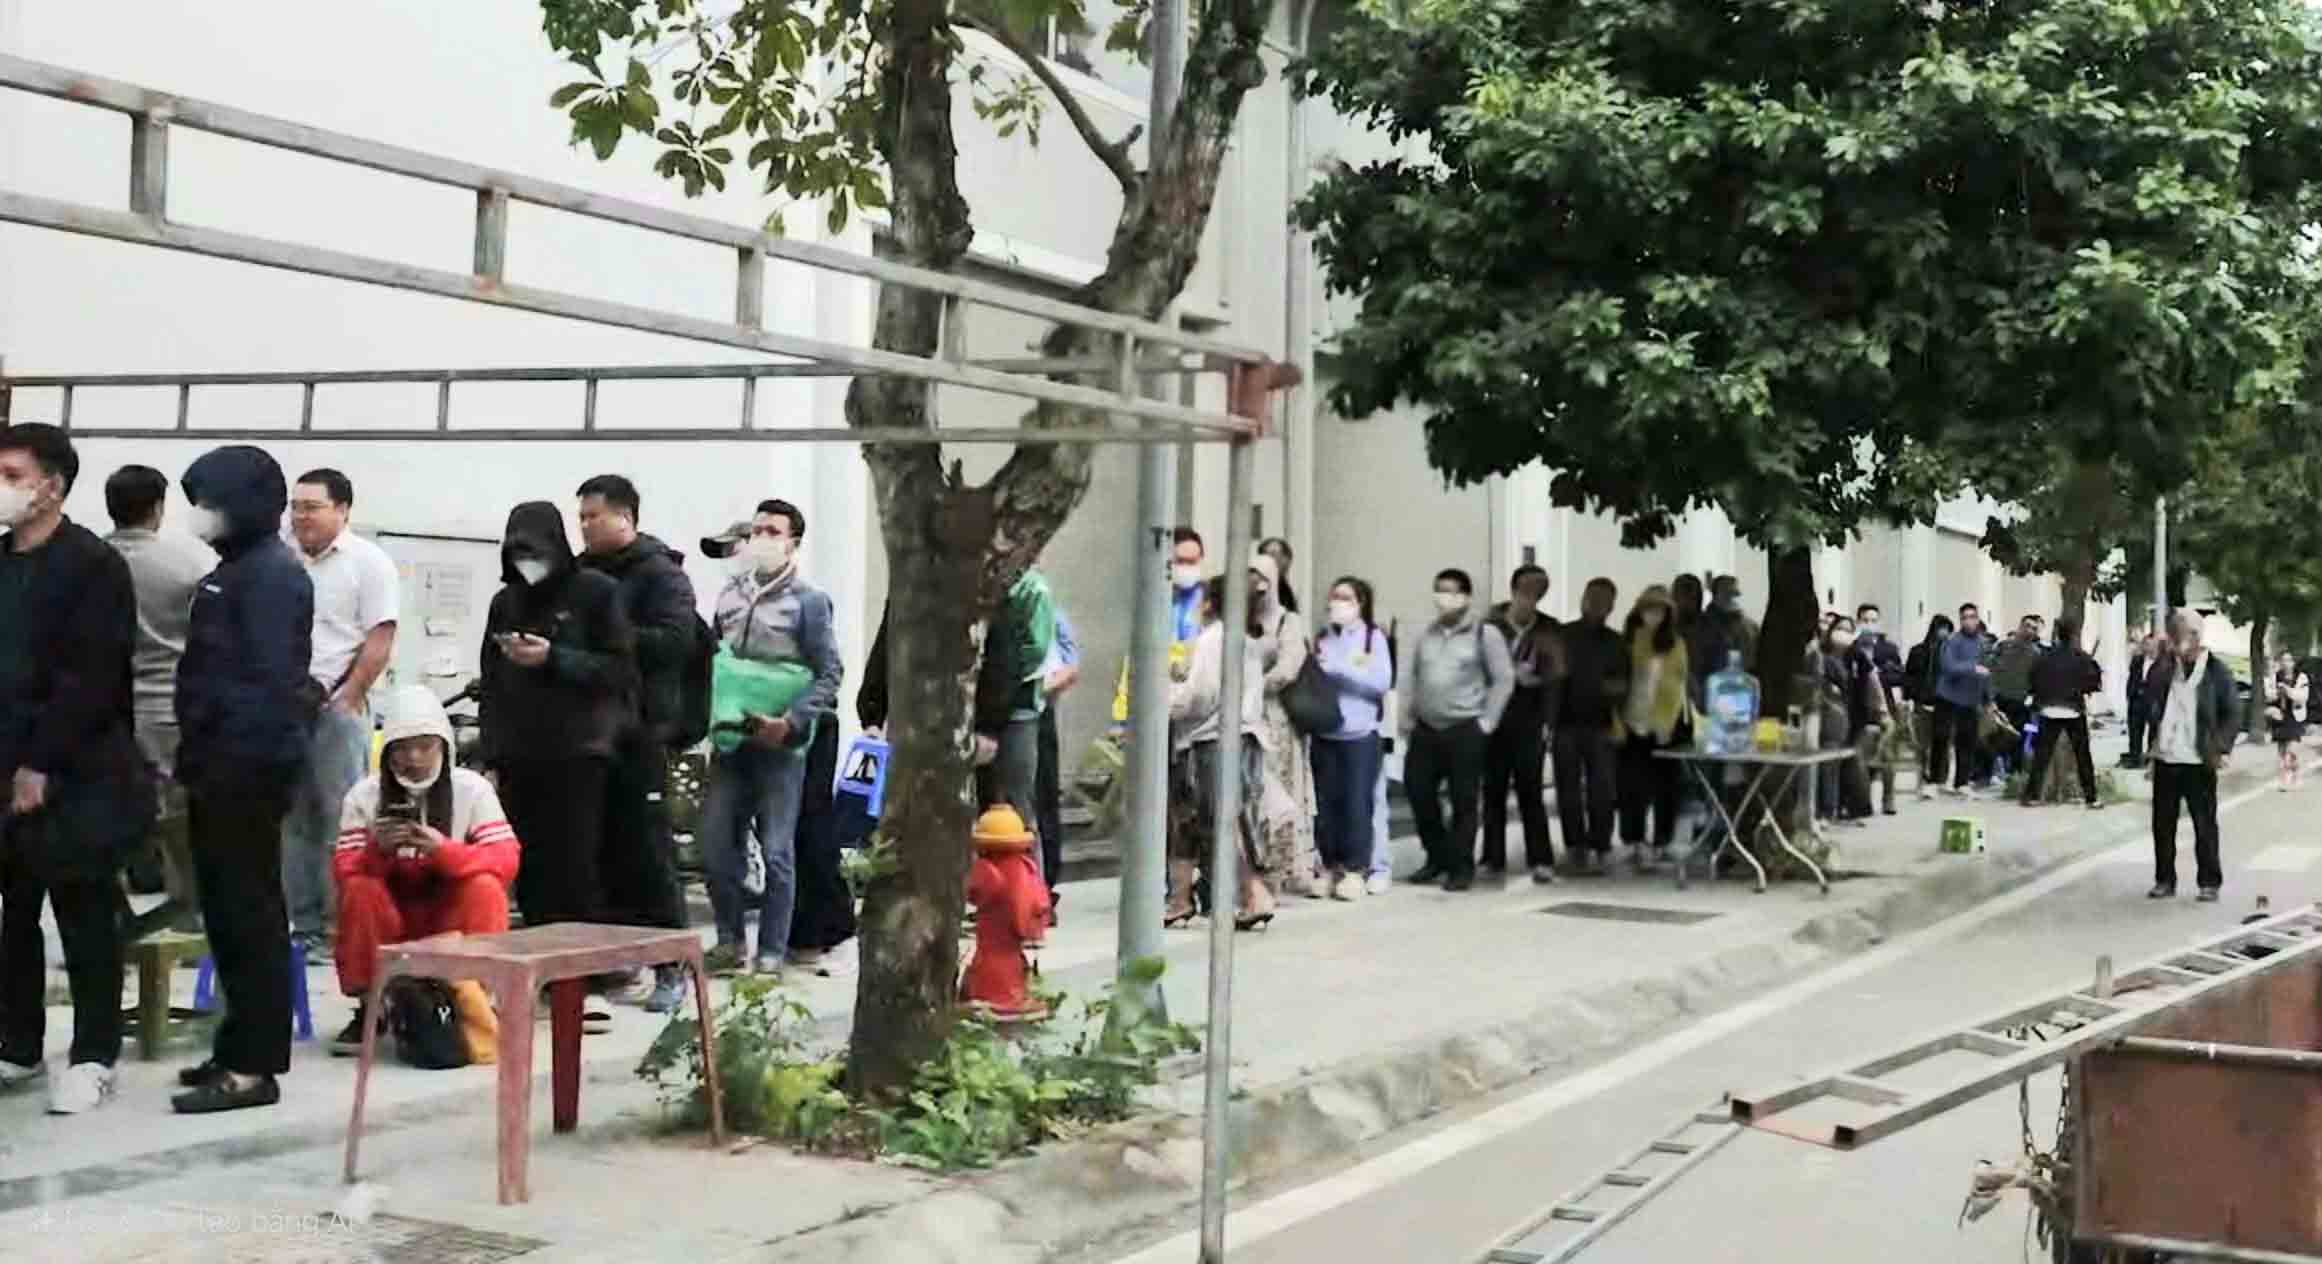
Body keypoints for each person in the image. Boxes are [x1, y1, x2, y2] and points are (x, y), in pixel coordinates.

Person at [0, 424, 148, 1116]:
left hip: (76, 771)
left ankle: (93, 1054)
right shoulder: (3, 559)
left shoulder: (92, 565)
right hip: (6, 767)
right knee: (13, 915)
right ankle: (18, 1043)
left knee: (84, 913)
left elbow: (90, 678)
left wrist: (40, 762)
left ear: (51, 486)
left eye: (10, 472)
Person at [173, 445, 313, 1114]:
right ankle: (235, 1047)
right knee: (226, 915)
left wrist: (229, 760)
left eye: (212, 502)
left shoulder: (272, 577)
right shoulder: (239, 569)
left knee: (250, 913)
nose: (202, 515)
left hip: (246, 770)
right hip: (217, 765)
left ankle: (255, 1066)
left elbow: (262, 687)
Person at [478, 502, 635, 992]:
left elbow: (620, 670)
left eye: (535, 550)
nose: (528, 562)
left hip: (580, 750)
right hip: (521, 751)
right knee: (531, 865)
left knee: (575, 862)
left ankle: (582, 974)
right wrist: (490, 753)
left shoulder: (595, 593)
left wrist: (554, 658)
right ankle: (543, 967)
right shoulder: (506, 602)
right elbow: (491, 681)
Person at [329, 686, 519, 1054]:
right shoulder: (364, 795)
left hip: (449, 916)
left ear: (443, 746)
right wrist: (377, 851)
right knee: (359, 889)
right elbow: (343, 870)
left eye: (425, 746)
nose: (413, 758)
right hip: (392, 915)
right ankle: (371, 1005)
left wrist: (444, 851)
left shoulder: (472, 790)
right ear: (386, 753)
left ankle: (475, 994)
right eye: (401, 748)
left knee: (484, 886)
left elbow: (505, 860)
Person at [698, 501, 841, 975]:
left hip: (781, 744)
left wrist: (793, 721)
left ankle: (772, 952)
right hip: (730, 739)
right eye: (756, 529)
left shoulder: (808, 601)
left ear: (792, 542)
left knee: (778, 850)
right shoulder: (729, 595)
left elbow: (829, 673)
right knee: (717, 846)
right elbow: (719, 660)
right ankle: (729, 941)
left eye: (772, 531)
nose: (761, 538)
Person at [575, 475, 696, 1013]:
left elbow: (675, 642)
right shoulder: (579, 573)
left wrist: (606, 635)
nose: (584, 525)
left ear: (625, 517)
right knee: (602, 850)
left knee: (649, 851)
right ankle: (615, 961)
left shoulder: (661, 575)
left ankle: (673, 965)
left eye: (593, 516)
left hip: (643, 730)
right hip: (588, 733)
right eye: (581, 517)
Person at [279, 470, 398, 963]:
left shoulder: (368, 563)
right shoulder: (281, 558)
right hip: (282, 705)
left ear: (343, 510)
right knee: (290, 817)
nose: (300, 516)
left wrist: (350, 695)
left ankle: (336, 926)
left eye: (312, 506)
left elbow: (380, 636)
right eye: (296, 506)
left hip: (336, 707)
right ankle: (300, 923)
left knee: (339, 815)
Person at [103, 465, 217, 918]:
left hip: (107, 708)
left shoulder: (91, 559)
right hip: (169, 704)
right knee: (179, 816)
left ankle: (108, 917)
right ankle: (187, 913)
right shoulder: (189, 563)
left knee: (106, 812)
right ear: (158, 507)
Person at [1168, 575, 1274, 928]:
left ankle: (1253, 893)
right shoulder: (1247, 640)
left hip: (1211, 739)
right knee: (1208, 819)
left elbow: (1200, 695)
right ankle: (1181, 898)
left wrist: (1165, 698)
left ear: (1212, 603)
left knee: (1218, 820)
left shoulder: (1215, 640)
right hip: (1242, 735)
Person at [1401, 568, 1514, 892]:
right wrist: (1406, 717)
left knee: (1464, 800)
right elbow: (1412, 677)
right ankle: (1437, 855)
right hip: (1426, 728)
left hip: (1465, 727)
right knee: (1418, 791)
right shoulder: (1427, 633)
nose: (1444, 598)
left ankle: (1460, 866)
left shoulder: (1485, 634)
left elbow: (1504, 679)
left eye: (1451, 591)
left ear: (1465, 596)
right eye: (1439, 590)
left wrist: (1487, 721)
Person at [2143, 612, 2238, 902]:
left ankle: (2209, 882)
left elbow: (2232, 712)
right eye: (2182, 633)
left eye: (2192, 633)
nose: (2187, 639)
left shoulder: (2216, 670)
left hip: (2199, 759)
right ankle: (2164, 880)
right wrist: (2168, 657)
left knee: (2204, 824)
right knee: (2163, 824)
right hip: (2166, 756)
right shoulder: (2165, 668)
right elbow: (2149, 695)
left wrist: (2221, 747)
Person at [1311, 577, 1392, 900]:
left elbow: (1381, 681)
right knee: (1326, 804)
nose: (1338, 604)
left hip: (1360, 733)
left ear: (1360, 603)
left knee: (1357, 802)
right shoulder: (1323, 637)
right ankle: (1329, 865)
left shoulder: (1373, 638)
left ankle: (1356, 868)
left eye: (1346, 598)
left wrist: (1341, 670)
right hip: (1326, 731)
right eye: (1334, 597)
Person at [1483, 565, 1564, 883]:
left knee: (1531, 790)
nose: (1532, 597)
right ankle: (1492, 857)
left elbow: (1557, 675)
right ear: (1514, 589)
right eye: (1527, 590)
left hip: (1529, 717)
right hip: (1494, 715)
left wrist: (1548, 717)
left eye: (1539, 592)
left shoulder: (1548, 629)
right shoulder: (1490, 626)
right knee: (1493, 790)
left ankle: (1540, 859)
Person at [1249, 553, 1319, 895]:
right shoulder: (1235, 619)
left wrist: (1252, 685)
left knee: (1279, 794)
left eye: (1260, 576)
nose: (1255, 585)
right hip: (1240, 717)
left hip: (1275, 717)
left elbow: (1289, 667)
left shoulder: (1287, 621)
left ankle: (1279, 869)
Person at [1554, 578, 1625, 876]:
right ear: (1582, 598)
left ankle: (1602, 846)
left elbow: (1623, 684)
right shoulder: (1563, 635)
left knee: (1602, 791)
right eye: (1591, 597)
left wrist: (1607, 692)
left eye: (1603, 600)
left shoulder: (1616, 642)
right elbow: (1552, 679)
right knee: (1567, 789)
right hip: (1565, 724)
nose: (1596, 604)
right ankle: (1575, 847)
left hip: (1602, 725)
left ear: (1611, 606)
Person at [1615, 585, 1690, 865]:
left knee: (1666, 786)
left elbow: (1678, 685)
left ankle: (1663, 840)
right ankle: (1632, 840)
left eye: (1659, 609)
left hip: (1664, 725)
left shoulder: (1676, 643)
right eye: (1648, 608)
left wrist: (1666, 723)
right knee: (1631, 786)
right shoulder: (1630, 639)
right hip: (1632, 721)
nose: (1653, 614)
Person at [2023, 615, 2102, 809]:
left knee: (2042, 755)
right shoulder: (2082, 658)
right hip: (2073, 710)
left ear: (2057, 633)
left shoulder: (2044, 658)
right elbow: (2093, 682)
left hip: (2049, 709)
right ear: (2074, 634)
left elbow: (2033, 681)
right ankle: (2091, 797)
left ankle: (2032, 795)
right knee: (2083, 755)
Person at [1033, 607, 1083, 911]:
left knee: (1042, 800)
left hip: (1038, 713)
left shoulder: (1048, 611)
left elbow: (1070, 667)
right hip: (1012, 713)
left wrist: (1038, 689)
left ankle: (1043, 884)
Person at [1936, 604, 1993, 796]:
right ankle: (1935, 780)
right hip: (1948, 696)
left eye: (1972, 617)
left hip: (1970, 698)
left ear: (1978, 619)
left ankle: (1962, 782)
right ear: (1960, 620)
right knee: (1941, 738)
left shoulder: (1983, 643)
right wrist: (1972, 668)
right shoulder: (1952, 641)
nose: (1969, 621)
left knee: (1967, 741)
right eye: (1965, 617)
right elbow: (1948, 667)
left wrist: (1988, 700)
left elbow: (1987, 673)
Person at [1903, 614, 1955, 798]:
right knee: (1922, 744)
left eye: (1947, 629)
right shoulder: (1918, 651)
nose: (1943, 633)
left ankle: (1940, 780)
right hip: (1922, 702)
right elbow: (1908, 677)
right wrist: (1908, 698)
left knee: (1943, 742)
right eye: (1940, 628)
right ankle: (1923, 779)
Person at [1988, 615, 2043, 780]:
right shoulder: (2003, 646)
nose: (2029, 631)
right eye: (2027, 626)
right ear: (2019, 626)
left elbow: (2037, 678)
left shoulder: (2036, 653)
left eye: (2034, 628)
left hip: (2021, 702)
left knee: (2021, 736)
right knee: (1996, 735)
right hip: (2000, 699)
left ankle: (2015, 771)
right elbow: (1991, 668)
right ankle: (1994, 770)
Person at [2267, 651, 2309, 792]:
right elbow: (2269, 695)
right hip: (2280, 716)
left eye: (2289, 660)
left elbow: (2302, 697)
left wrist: (2287, 690)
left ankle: (2296, 775)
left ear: (2293, 662)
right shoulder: (2276, 676)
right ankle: (2284, 779)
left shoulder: (2301, 677)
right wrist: (2276, 695)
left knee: (2291, 750)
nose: (2286, 663)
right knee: (2281, 751)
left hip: (2295, 716)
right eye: (2283, 660)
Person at [2122, 631, 2159, 768]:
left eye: (2150, 645)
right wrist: (2129, 695)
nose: (2147, 647)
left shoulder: (2161, 662)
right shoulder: (2137, 660)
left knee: (2154, 730)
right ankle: (2135, 758)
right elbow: (2131, 678)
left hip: (2152, 699)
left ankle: (2151, 759)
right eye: (2146, 644)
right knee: (2135, 729)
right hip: (2137, 697)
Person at [1258, 536, 1301, 615]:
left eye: (1274, 555)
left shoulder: (1287, 590)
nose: (1269, 560)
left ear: (1287, 561)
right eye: (1265, 555)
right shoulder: (1257, 585)